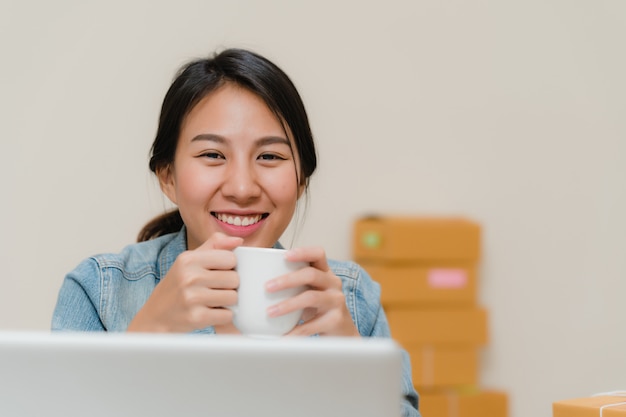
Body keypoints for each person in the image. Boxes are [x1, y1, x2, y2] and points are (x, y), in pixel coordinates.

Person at [52, 48, 420, 416]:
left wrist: (354, 370)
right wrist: (147, 335)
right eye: (213, 155)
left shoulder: (351, 300)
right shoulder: (99, 290)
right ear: (168, 177)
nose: (242, 188)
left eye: (270, 157)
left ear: (301, 181)